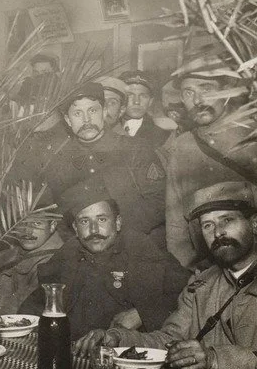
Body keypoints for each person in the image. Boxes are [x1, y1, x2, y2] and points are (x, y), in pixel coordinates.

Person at [75, 182, 257, 369]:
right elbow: (169, 340)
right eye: (207, 225)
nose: (218, 233)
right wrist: (116, 338)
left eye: (227, 220)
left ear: (255, 224)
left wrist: (214, 358)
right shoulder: (203, 284)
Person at [161, 55, 257, 270]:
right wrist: (188, 271)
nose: (198, 101)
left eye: (207, 89)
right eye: (189, 92)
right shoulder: (181, 147)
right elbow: (176, 222)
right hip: (212, 269)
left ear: (226, 93)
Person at [22, 182, 189, 340]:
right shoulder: (68, 253)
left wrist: (142, 313)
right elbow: (39, 301)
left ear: (117, 223)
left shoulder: (139, 247)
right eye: (85, 221)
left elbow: (187, 290)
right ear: (75, 229)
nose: (94, 230)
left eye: (102, 220)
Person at [29, 82, 167, 247]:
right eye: (77, 113)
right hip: (85, 249)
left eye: (92, 110)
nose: (86, 120)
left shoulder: (135, 149)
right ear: (67, 119)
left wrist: (113, 236)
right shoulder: (59, 160)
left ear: (104, 111)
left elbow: (158, 202)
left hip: (137, 245)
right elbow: (60, 215)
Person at [0, 218, 64, 315]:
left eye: (36, 223)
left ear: (52, 226)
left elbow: (22, 312)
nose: (27, 232)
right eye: (22, 223)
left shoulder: (53, 262)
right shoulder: (7, 255)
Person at [118, 70, 175, 149]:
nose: (137, 101)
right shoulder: (108, 129)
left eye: (143, 96)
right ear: (120, 99)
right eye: (130, 95)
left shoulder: (163, 137)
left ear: (150, 101)